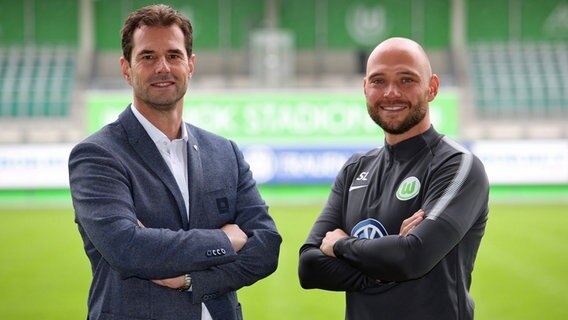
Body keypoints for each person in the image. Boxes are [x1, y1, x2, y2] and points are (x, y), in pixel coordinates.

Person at [68, 4, 281, 320]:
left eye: (173, 55)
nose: (162, 67)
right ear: (126, 68)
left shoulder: (225, 153)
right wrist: (226, 239)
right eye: (148, 57)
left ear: (190, 65)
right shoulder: (98, 155)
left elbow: (266, 247)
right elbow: (128, 249)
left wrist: (192, 281)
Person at [298, 37, 489, 320]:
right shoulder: (354, 169)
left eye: (406, 80)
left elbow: (413, 257)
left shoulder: (456, 164)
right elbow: (309, 267)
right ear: (365, 88)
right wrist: (385, 264)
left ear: (432, 88)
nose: (391, 93)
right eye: (378, 81)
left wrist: (341, 245)